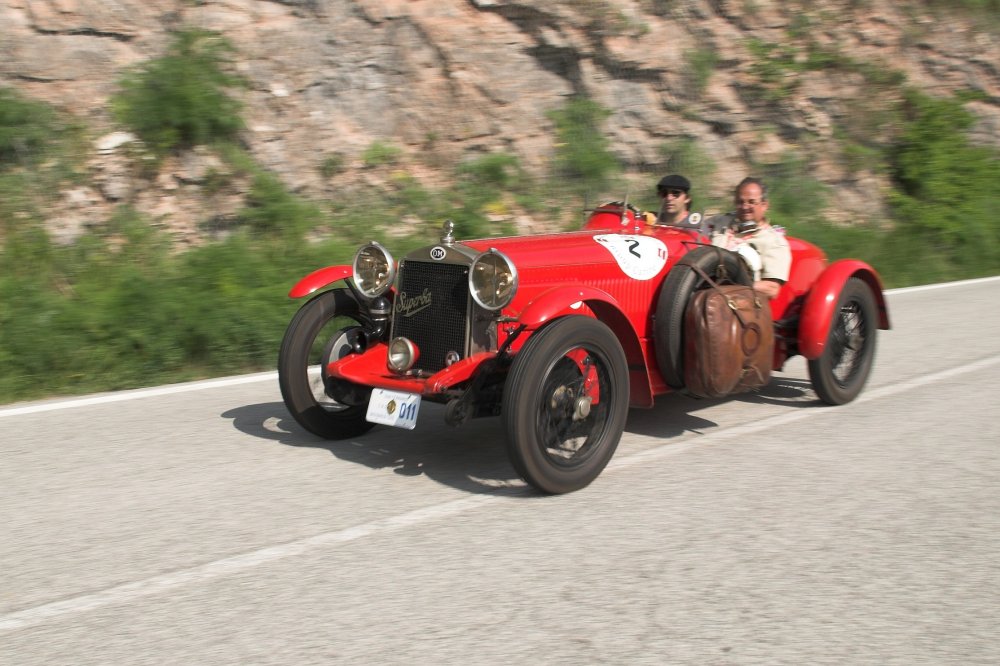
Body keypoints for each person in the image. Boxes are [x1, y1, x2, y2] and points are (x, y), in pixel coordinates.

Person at [710, 177, 791, 300]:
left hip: (739, 306)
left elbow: (772, 289)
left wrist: (734, 284)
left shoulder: (774, 241)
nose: (744, 207)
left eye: (751, 202)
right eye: (740, 202)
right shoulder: (719, 222)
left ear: (764, 205)